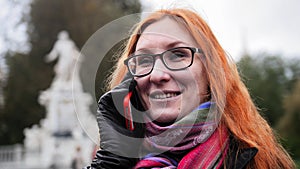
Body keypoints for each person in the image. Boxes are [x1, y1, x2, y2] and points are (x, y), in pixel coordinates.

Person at [87, 8, 295, 169]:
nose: (157, 75)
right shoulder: (113, 159)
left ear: (210, 71)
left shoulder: (260, 161)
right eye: (143, 60)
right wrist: (111, 162)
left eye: (178, 55)